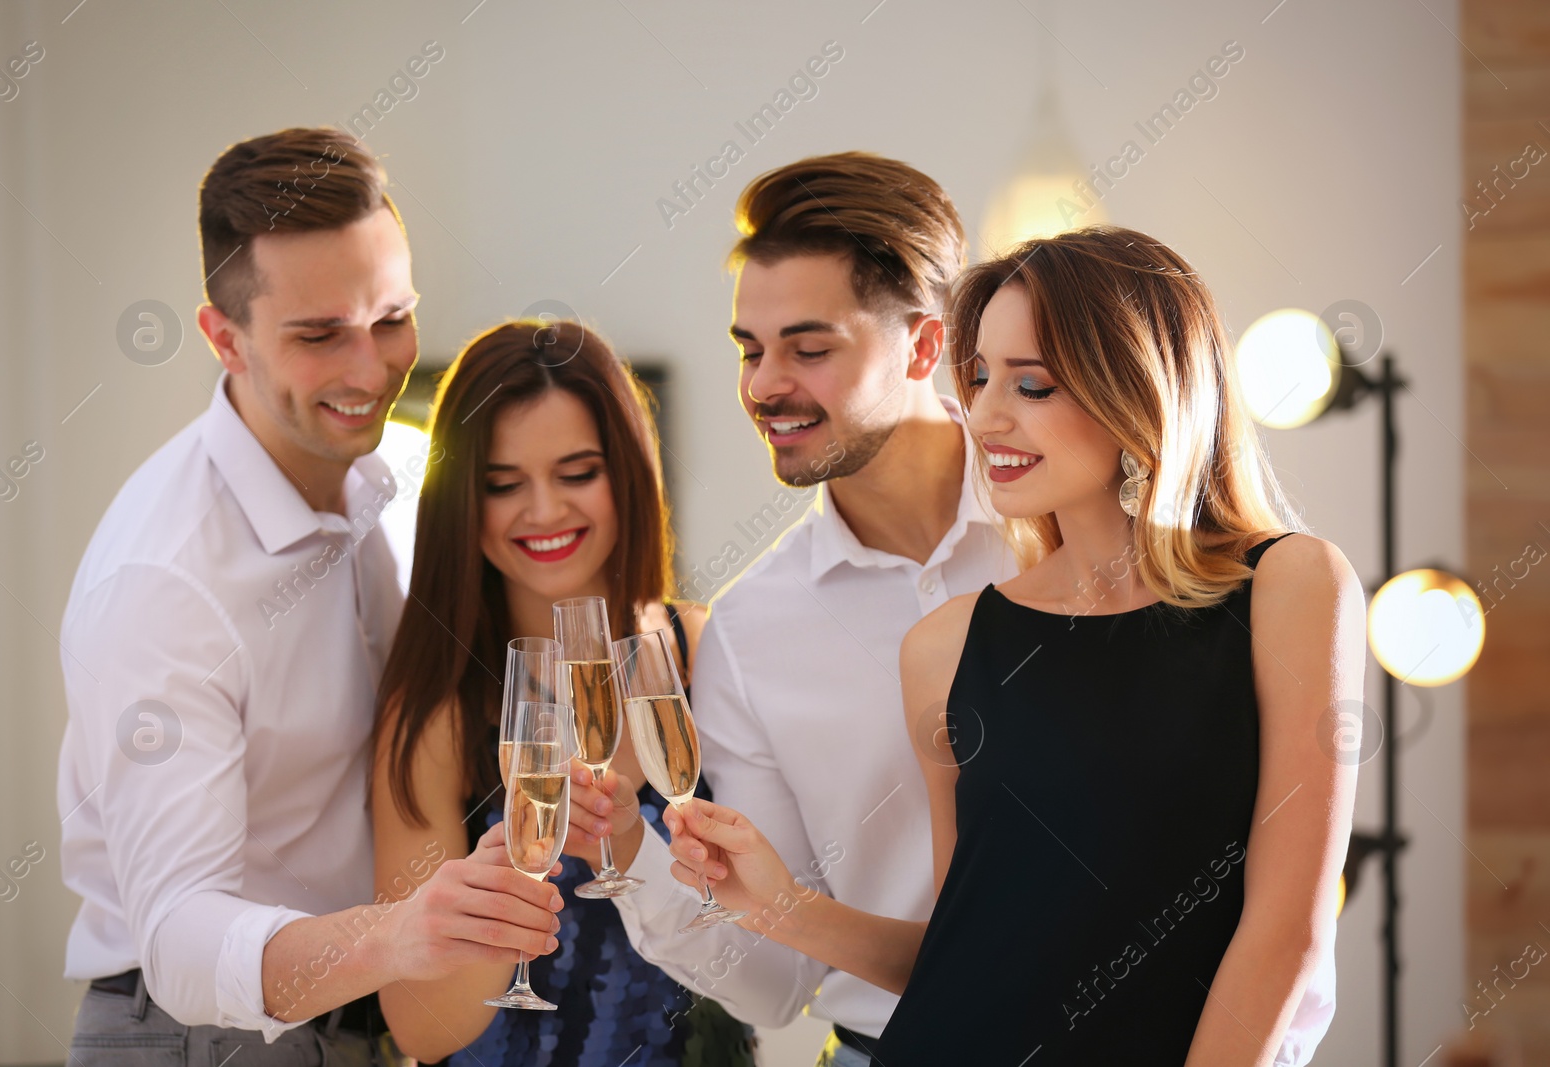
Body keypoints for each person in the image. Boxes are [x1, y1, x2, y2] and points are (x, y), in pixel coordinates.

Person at [663, 227, 1355, 1065]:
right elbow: (969, 955)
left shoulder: (1290, 586)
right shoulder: (946, 648)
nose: (986, 413)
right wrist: (779, 906)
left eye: (1031, 384)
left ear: (1140, 389)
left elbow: (1287, 933)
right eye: (980, 376)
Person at [56, 128, 561, 1064]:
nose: (371, 370)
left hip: (379, 1027)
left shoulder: (412, 476)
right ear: (224, 337)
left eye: (392, 318)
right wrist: (403, 933)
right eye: (319, 335)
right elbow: (177, 939)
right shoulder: (163, 582)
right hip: (198, 1040)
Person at [567, 151, 1012, 1067]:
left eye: (809, 349)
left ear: (925, 346)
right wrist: (631, 852)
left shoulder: (1065, 533)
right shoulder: (753, 630)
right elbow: (775, 983)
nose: (765, 385)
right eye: (750, 348)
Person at [371, 320, 755, 1066]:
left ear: (629, 475)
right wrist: (519, 863)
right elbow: (419, 1027)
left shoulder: (701, 651)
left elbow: (767, 941)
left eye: (577, 472)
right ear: (460, 501)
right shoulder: (438, 707)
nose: (542, 510)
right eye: (502, 484)